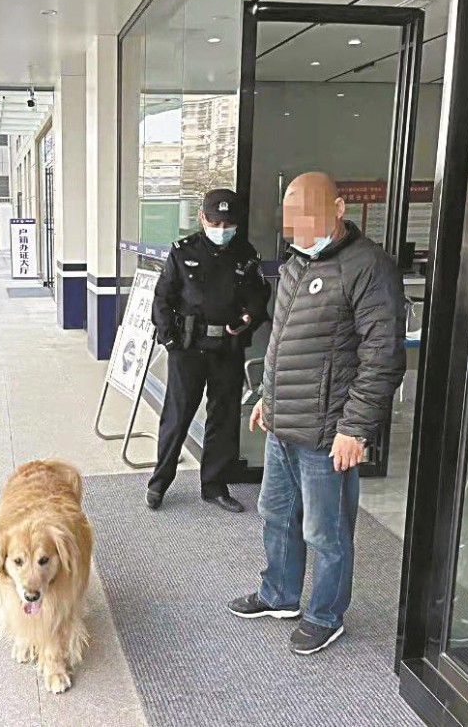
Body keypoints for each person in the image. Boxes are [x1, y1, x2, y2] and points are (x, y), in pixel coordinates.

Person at [228, 172, 405, 654]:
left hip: (330, 432)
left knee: (326, 531)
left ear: (339, 207)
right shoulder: (295, 264)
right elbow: (283, 343)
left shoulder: (368, 267)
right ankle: (278, 595)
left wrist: (356, 427)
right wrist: (267, 394)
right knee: (276, 514)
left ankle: (325, 614)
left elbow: (383, 354)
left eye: (309, 213)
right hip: (284, 421)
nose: (299, 226)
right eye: (292, 217)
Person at [147, 189, 271, 513]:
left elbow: (259, 298)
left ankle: (215, 485)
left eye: (227, 223)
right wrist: (169, 339)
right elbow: (162, 299)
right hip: (188, 349)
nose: (221, 228)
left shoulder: (246, 254)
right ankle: (159, 483)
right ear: (202, 218)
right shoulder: (182, 252)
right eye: (214, 221)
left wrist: (249, 317)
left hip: (227, 349)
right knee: (177, 417)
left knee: (224, 418)